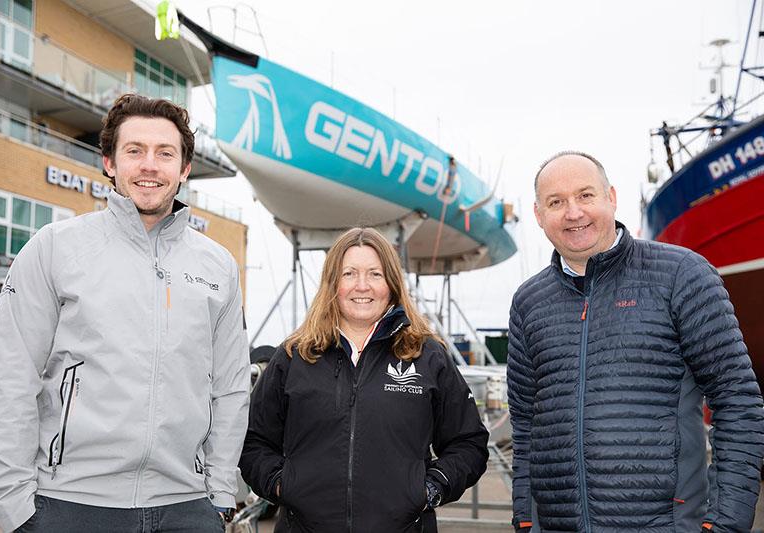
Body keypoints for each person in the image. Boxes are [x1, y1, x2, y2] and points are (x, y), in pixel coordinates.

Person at [0, 93, 250, 532]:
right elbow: (8, 377)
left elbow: (232, 388)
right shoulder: (54, 249)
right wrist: (15, 506)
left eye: (165, 153)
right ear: (109, 162)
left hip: (187, 508)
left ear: (183, 170)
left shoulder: (218, 266)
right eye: (134, 151)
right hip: (68, 505)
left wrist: (218, 495)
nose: (149, 165)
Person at [507, 151, 764, 532]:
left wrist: (726, 522)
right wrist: (525, 519)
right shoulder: (528, 301)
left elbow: (737, 400)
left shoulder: (681, 274)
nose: (573, 212)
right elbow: (527, 423)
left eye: (586, 195)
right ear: (539, 214)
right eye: (556, 202)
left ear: (611, 197)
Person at [239, 227, 488, 532]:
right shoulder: (294, 357)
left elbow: (469, 443)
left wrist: (430, 488)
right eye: (349, 274)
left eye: (375, 274)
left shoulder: (427, 357)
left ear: (392, 284)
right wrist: (281, 486)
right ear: (333, 283)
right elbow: (253, 442)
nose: (362, 286)